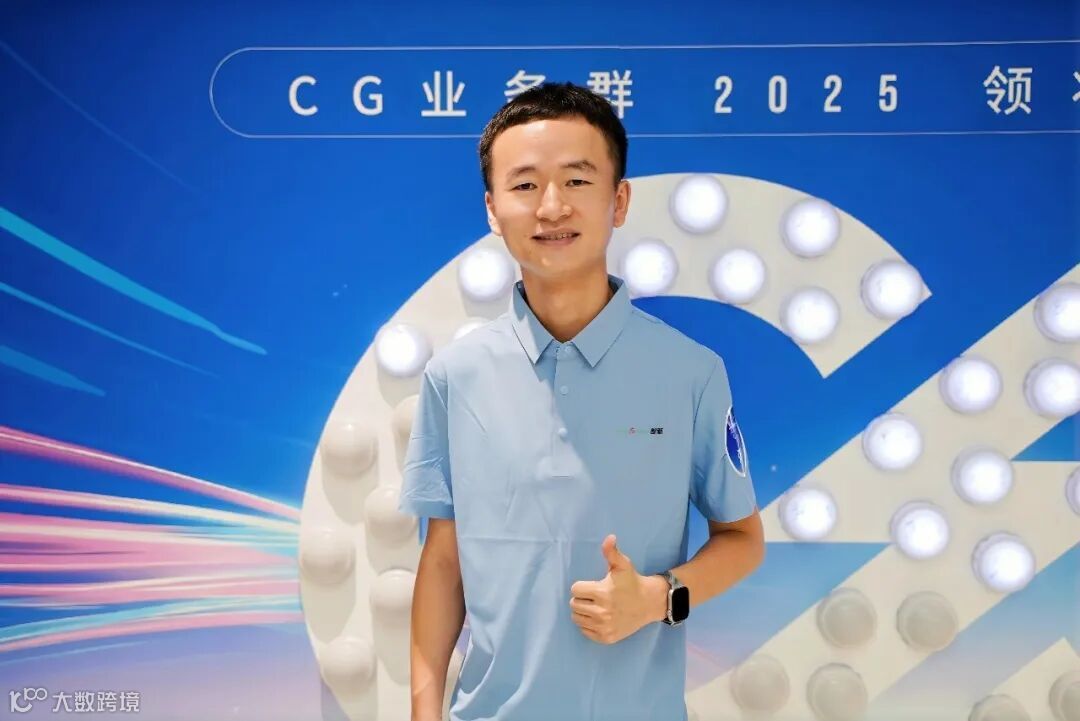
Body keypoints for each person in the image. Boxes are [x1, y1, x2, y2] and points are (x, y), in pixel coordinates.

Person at [398, 81, 765, 721]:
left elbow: (742, 539)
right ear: (492, 209)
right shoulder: (454, 376)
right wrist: (423, 711)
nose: (551, 206)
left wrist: (658, 597)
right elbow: (443, 560)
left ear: (618, 200)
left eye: (576, 180)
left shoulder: (691, 372)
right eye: (524, 185)